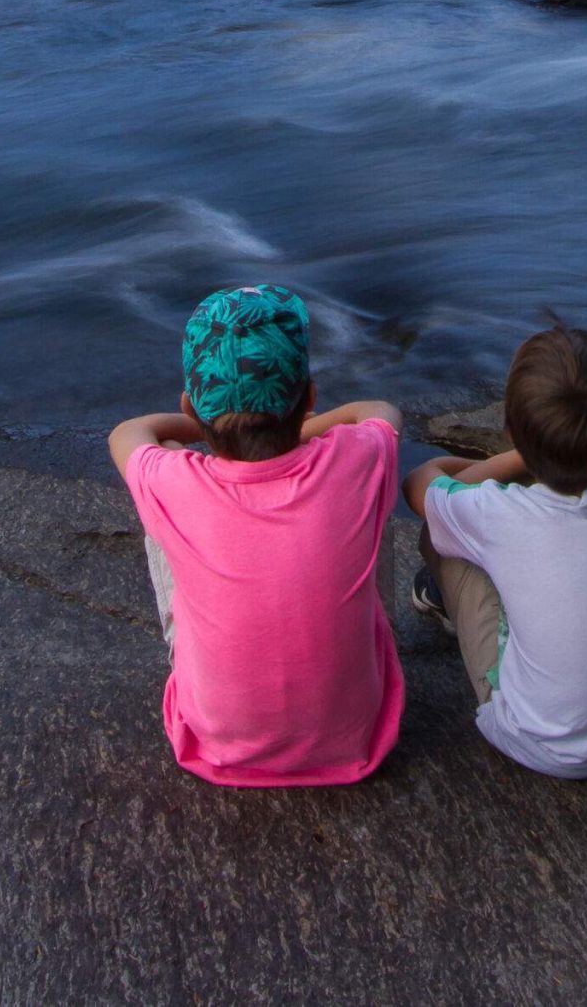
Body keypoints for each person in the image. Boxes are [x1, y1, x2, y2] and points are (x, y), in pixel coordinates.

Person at [108, 283, 404, 787]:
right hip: (354, 740)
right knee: (374, 494)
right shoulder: (355, 457)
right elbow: (379, 412)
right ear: (308, 398)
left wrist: (207, 426)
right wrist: (305, 429)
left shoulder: (178, 482)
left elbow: (127, 434)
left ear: (189, 406)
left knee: (161, 512)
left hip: (217, 746)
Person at [402, 322, 587, 778]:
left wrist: (517, 458)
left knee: (442, 538)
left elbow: (421, 484)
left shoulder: (502, 514)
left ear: (511, 430)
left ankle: (444, 603)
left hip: (539, 742)